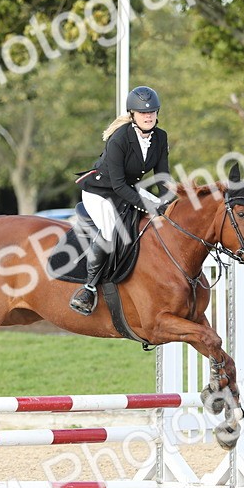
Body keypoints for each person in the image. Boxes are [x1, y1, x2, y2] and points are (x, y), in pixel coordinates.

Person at [69, 85, 171, 316]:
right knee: (110, 233)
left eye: (152, 112)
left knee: (168, 216)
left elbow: (162, 178)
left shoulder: (160, 137)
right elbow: (117, 186)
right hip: (100, 191)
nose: (148, 116)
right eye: (143, 113)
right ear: (132, 114)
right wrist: (149, 207)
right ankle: (89, 288)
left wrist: (169, 202)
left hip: (128, 188)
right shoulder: (120, 138)